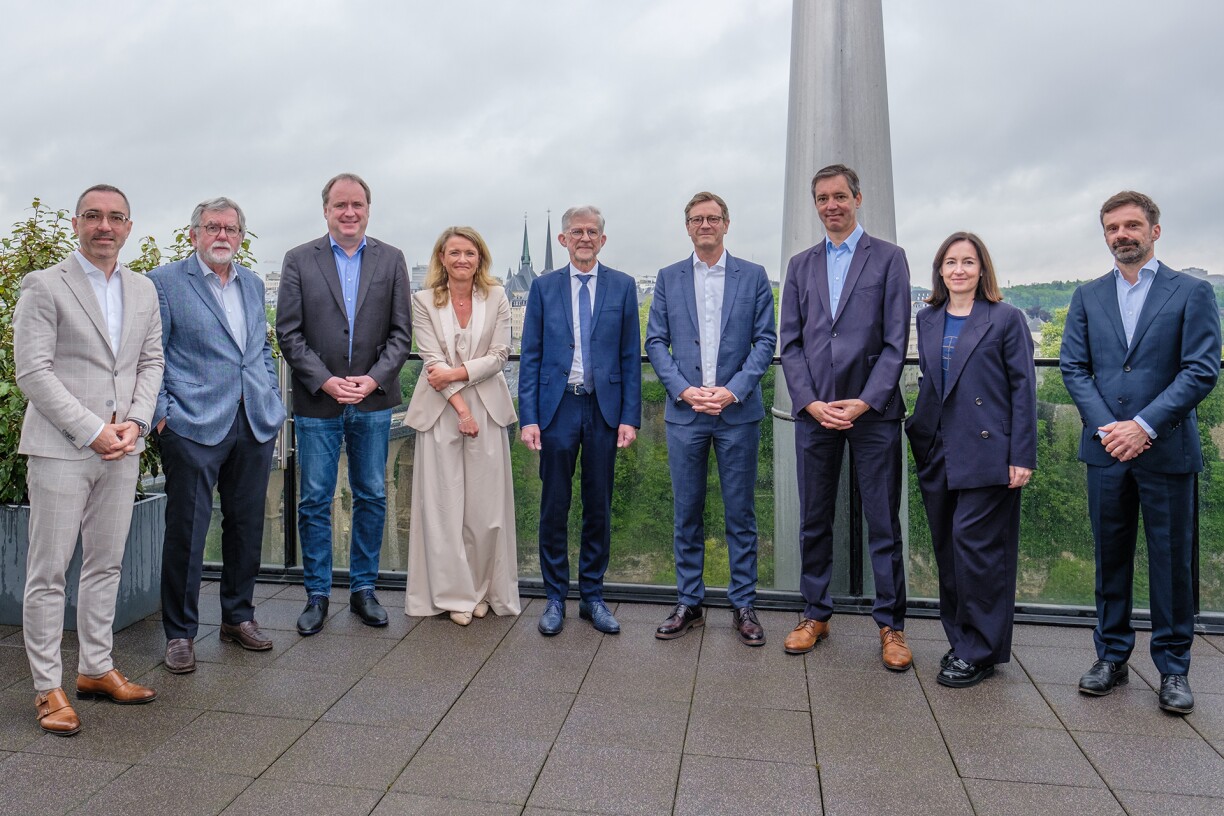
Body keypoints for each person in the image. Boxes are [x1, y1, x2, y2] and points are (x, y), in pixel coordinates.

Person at [1060, 191, 1219, 715]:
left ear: (1155, 230)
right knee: (1110, 559)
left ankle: (1174, 669)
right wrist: (1112, 429)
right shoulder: (1087, 296)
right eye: (1112, 228)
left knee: (1172, 563)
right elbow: (1074, 369)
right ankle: (1111, 657)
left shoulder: (1192, 292)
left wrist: (1144, 425)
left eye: (1131, 225)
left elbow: (1201, 368)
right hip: (1107, 451)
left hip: (1166, 448)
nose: (1121, 235)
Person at [13, 184, 163, 735]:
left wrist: (136, 423)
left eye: (116, 217)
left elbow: (151, 362)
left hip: (123, 447)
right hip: (61, 447)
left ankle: (96, 669)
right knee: (48, 572)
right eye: (94, 216)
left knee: (107, 564)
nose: (105, 226)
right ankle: (47, 687)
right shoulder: (44, 285)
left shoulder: (143, 289)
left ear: (129, 226)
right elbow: (32, 372)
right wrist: (91, 429)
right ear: (76, 222)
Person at [778, 163, 913, 670]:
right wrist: (809, 401)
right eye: (821, 198)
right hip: (815, 413)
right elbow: (790, 343)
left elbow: (897, 340)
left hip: (873, 413)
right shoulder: (800, 264)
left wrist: (865, 399)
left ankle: (891, 627)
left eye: (839, 196)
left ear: (858, 198)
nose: (830, 205)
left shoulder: (890, 259)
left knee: (883, 523)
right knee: (814, 519)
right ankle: (814, 613)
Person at [149, 197, 286, 674]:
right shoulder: (164, 282)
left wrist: (269, 392)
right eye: (212, 227)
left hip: (252, 421)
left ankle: (238, 616)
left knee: (246, 525)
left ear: (241, 237)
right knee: (186, 531)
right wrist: (163, 416)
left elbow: (260, 348)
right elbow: (152, 357)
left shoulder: (250, 282)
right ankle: (181, 633)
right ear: (194, 234)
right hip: (191, 424)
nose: (221, 235)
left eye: (230, 228)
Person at [276, 173, 412, 635]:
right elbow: (288, 334)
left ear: (368, 209)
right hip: (318, 402)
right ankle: (317, 594)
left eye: (357, 204)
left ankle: (363, 590)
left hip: (372, 403)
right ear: (326, 211)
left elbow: (400, 334)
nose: (349, 212)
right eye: (340, 205)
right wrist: (327, 381)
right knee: (315, 499)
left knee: (372, 495)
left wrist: (372, 380)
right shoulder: (298, 260)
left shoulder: (392, 260)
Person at [905, 232, 1036, 687]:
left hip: (988, 452)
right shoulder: (927, 318)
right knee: (948, 550)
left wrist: (1021, 454)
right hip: (938, 447)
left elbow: (1023, 389)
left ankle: (980, 651)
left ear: (983, 270)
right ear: (939, 271)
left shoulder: (1006, 319)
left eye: (968, 262)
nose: (958, 270)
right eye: (950, 262)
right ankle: (962, 639)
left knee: (978, 551)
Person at [645, 192, 776, 646]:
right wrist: (683, 390)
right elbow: (656, 342)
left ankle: (744, 604)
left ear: (726, 224)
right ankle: (690, 602)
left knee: (741, 513)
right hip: (686, 414)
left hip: (737, 413)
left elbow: (765, 341)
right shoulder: (668, 278)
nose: (706, 225)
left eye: (713, 218)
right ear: (687, 227)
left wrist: (732, 390)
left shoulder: (754, 277)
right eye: (697, 219)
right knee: (687, 513)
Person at [519, 205, 642, 636]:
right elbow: (530, 356)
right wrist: (528, 418)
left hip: (604, 410)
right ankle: (555, 598)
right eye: (577, 231)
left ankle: (593, 596)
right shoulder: (543, 287)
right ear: (563, 240)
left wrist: (631, 417)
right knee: (554, 506)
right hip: (557, 409)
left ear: (603, 240)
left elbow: (630, 357)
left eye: (592, 231)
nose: (585, 237)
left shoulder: (624, 287)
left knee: (598, 506)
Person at [404, 227, 520, 625]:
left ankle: (483, 588)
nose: (462, 260)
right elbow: (429, 360)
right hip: (441, 410)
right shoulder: (421, 300)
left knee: (486, 511)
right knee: (443, 508)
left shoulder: (499, 296)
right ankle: (454, 595)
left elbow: (501, 354)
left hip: (486, 407)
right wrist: (460, 407)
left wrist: (456, 373)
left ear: (480, 258)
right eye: (454, 253)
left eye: (469, 253)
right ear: (441, 258)